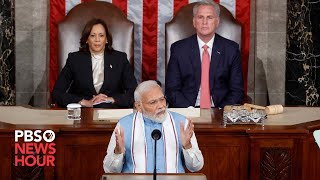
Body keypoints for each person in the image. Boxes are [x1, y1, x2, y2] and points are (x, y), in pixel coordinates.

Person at [103, 80, 204, 173]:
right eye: (153, 102)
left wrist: (188, 146)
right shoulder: (124, 125)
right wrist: (118, 152)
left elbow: (196, 167)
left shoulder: (182, 123)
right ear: (139, 106)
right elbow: (110, 170)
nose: (161, 106)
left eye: (162, 99)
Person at [165, 0, 244, 108]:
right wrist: (190, 111)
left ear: (217, 22)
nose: (204, 22)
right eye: (200, 17)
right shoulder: (178, 49)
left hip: (220, 111)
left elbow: (237, 91)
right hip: (187, 110)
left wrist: (220, 111)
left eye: (209, 17)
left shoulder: (231, 50)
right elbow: (172, 90)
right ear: (194, 22)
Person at [52, 18, 137, 108]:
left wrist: (111, 99)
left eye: (101, 35)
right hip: (83, 113)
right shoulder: (75, 59)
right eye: (92, 35)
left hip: (112, 111)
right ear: (87, 39)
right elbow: (57, 93)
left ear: (106, 39)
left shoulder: (120, 59)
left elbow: (134, 92)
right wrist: (82, 102)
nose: (97, 40)